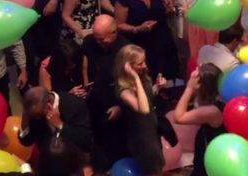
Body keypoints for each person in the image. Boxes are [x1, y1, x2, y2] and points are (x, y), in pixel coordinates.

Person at [80, 15, 130, 171]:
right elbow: (84, 62)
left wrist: (120, 106)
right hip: (94, 101)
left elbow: (132, 83)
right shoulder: (90, 42)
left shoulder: (126, 50)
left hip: (116, 103)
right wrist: (85, 82)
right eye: (96, 38)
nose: (98, 42)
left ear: (114, 33)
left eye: (102, 39)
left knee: (117, 144)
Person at [114, 0, 178, 80]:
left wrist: (170, 10)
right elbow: (118, 25)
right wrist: (137, 29)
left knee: (169, 74)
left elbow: (171, 14)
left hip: (163, 41)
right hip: (140, 46)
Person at [114, 45, 165, 176]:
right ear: (128, 66)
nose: (144, 66)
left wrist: (157, 87)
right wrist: (136, 79)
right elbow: (143, 108)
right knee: (153, 170)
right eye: (139, 63)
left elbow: (147, 96)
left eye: (144, 61)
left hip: (151, 131)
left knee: (158, 167)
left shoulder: (142, 76)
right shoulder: (124, 90)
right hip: (142, 138)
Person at [18, 87, 93, 174]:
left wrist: (60, 125)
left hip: (74, 164)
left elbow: (85, 140)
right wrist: (25, 117)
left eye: (39, 115)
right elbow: (26, 141)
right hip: (48, 166)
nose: (37, 118)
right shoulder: (35, 111)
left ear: (49, 103)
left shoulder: (75, 104)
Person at [173, 64, 225, 176]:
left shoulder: (213, 111)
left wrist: (189, 88)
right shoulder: (218, 101)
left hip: (210, 162)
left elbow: (178, 117)